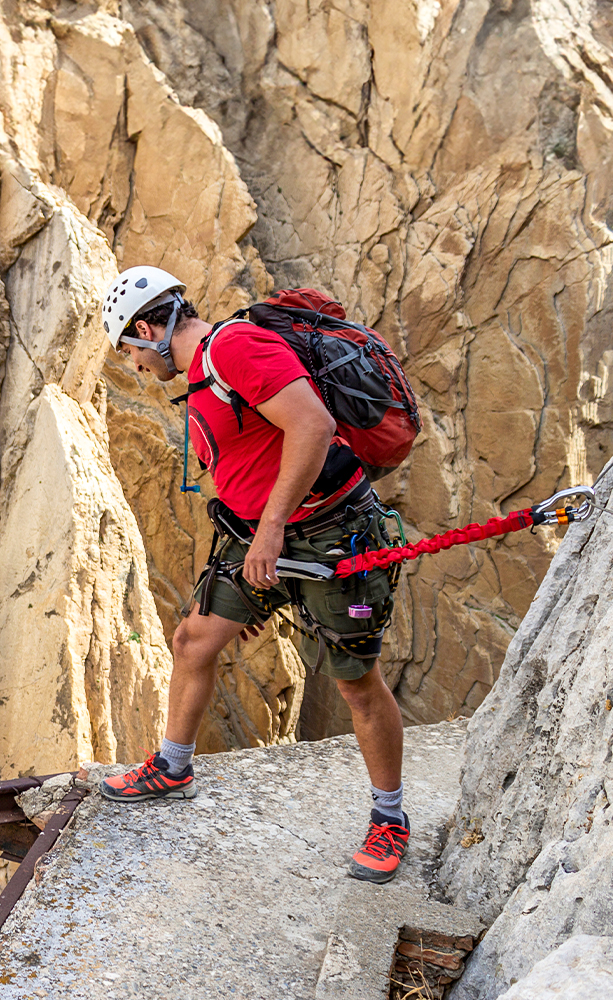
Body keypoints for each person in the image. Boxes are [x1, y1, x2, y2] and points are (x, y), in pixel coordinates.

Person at [96, 265, 410, 884]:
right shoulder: (208, 370)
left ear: (151, 327)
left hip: (327, 536)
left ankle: (389, 819)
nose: (134, 366)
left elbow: (313, 425)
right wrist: (260, 538)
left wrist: (271, 529)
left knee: (356, 683)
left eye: (131, 350)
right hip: (254, 541)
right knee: (193, 641)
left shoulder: (236, 347)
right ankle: (173, 766)